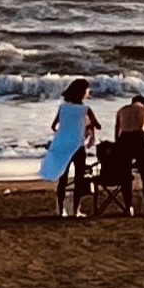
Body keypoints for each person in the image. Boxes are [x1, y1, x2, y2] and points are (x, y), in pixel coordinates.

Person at [37, 79, 101, 219]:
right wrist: (87, 127)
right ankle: (76, 210)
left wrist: (66, 131)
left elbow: (54, 126)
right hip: (77, 146)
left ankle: (60, 211)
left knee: (63, 180)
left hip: (62, 145)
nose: (88, 92)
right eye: (87, 90)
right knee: (79, 179)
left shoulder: (63, 108)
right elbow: (97, 125)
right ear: (82, 92)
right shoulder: (85, 109)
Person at [110, 90, 144, 216]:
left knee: (125, 176)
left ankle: (128, 207)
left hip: (125, 138)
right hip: (139, 137)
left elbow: (117, 131)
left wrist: (118, 145)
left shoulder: (122, 110)